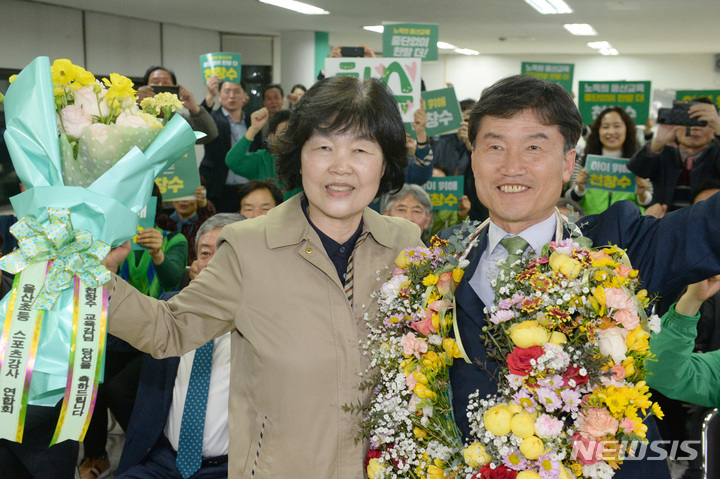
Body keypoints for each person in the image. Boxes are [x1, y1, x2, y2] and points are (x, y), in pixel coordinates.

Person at [101, 75, 421, 478]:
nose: (341, 166)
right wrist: (95, 282)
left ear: (385, 161)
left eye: (361, 149)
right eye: (323, 147)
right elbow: (170, 328)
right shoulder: (248, 248)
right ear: (298, 157)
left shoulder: (405, 246)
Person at [442, 74, 720, 479]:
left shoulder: (617, 243)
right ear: (473, 158)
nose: (511, 166)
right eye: (495, 146)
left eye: (534, 147)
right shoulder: (439, 262)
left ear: (569, 163)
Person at [115, 213, 244, 479]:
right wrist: (106, 273)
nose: (214, 264)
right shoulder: (170, 310)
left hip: (230, 468)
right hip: (162, 462)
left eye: (226, 253)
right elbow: (123, 333)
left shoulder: (264, 321)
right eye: (206, 253)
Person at [627, 97, 720, 211]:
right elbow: (637, 169)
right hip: (665, 225)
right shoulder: (664, 154)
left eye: (702, 122)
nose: (695, 128)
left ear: (714, 129)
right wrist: (657, 144)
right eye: (689, 120)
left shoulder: (716, 155)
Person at [565, 106, 652, 215]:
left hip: (628, 228)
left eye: (617, 126)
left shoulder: (638, 162)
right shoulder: (584, 161)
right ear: (598, 131)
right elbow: (569, 199)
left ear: (627, 129)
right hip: (590, 227)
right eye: (605, 126)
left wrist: (642, 194)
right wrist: (579, 189)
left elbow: (650, 201)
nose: (611, 132)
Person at [199, 77, 257, 213]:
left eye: (237, 91)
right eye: (227, 91)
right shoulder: (212, 118)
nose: (232, 96)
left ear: (245, 96)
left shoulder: (253, 121)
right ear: (219, 96)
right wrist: (210, 95)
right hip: (218, 188)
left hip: (248, 188)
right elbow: (200, 120)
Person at [224, 107, 300, 199]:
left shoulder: (304, 159)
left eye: (292, 133)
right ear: (272, 136)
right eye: (283, 133)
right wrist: (253, 129)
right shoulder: (262, 159)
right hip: (267, 211)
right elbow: (232, 161)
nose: (288, 138)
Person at [135, 66, 218, 144]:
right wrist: (136, 103)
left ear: (174, 88)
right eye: (155, 82)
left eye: (166, 82)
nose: (160, 85)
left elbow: (209, 135)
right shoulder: (133, 116)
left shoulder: (181, 122)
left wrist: (195, 108)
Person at [156, 186, 217, 264]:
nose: (183, 200)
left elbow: (211, 218)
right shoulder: (163, 222)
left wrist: (204, 203)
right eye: (180, 195)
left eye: (189, 196)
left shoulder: (203, 223)